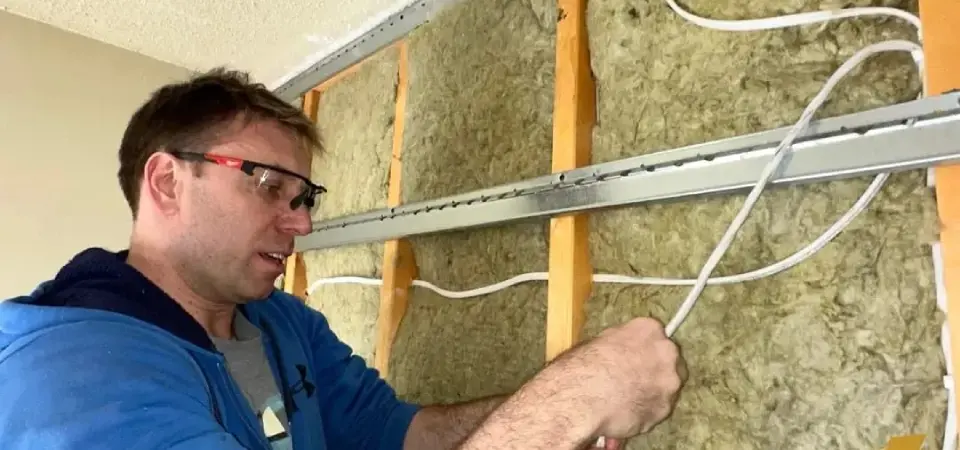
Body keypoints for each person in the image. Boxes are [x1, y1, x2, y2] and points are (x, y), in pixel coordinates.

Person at [0, 68, 686, 450]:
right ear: (167, 183)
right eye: (270, 186)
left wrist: (554, 403)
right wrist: (562, 410)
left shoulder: (283, 326)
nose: (299, 221)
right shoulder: (69, 380)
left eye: (304, 197)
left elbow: (402, 434)